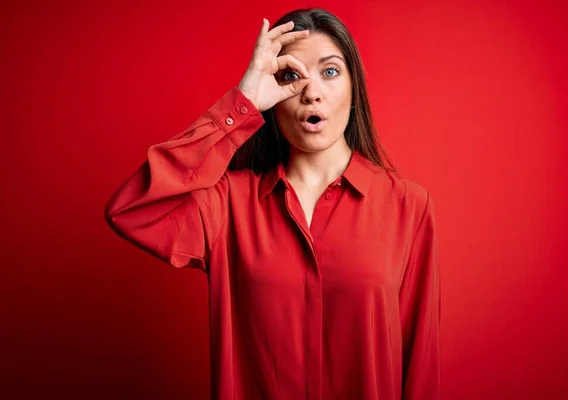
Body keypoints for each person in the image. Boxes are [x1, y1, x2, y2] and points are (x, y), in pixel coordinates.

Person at [105, 7, 441, 400]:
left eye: (330, 72)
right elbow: (130, 210)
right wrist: (241, 105)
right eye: (291, 76)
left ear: (354, 91)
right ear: (274, 97)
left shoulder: (408, 206)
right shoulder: (228, 204)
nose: (312, 92)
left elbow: (419, 362)